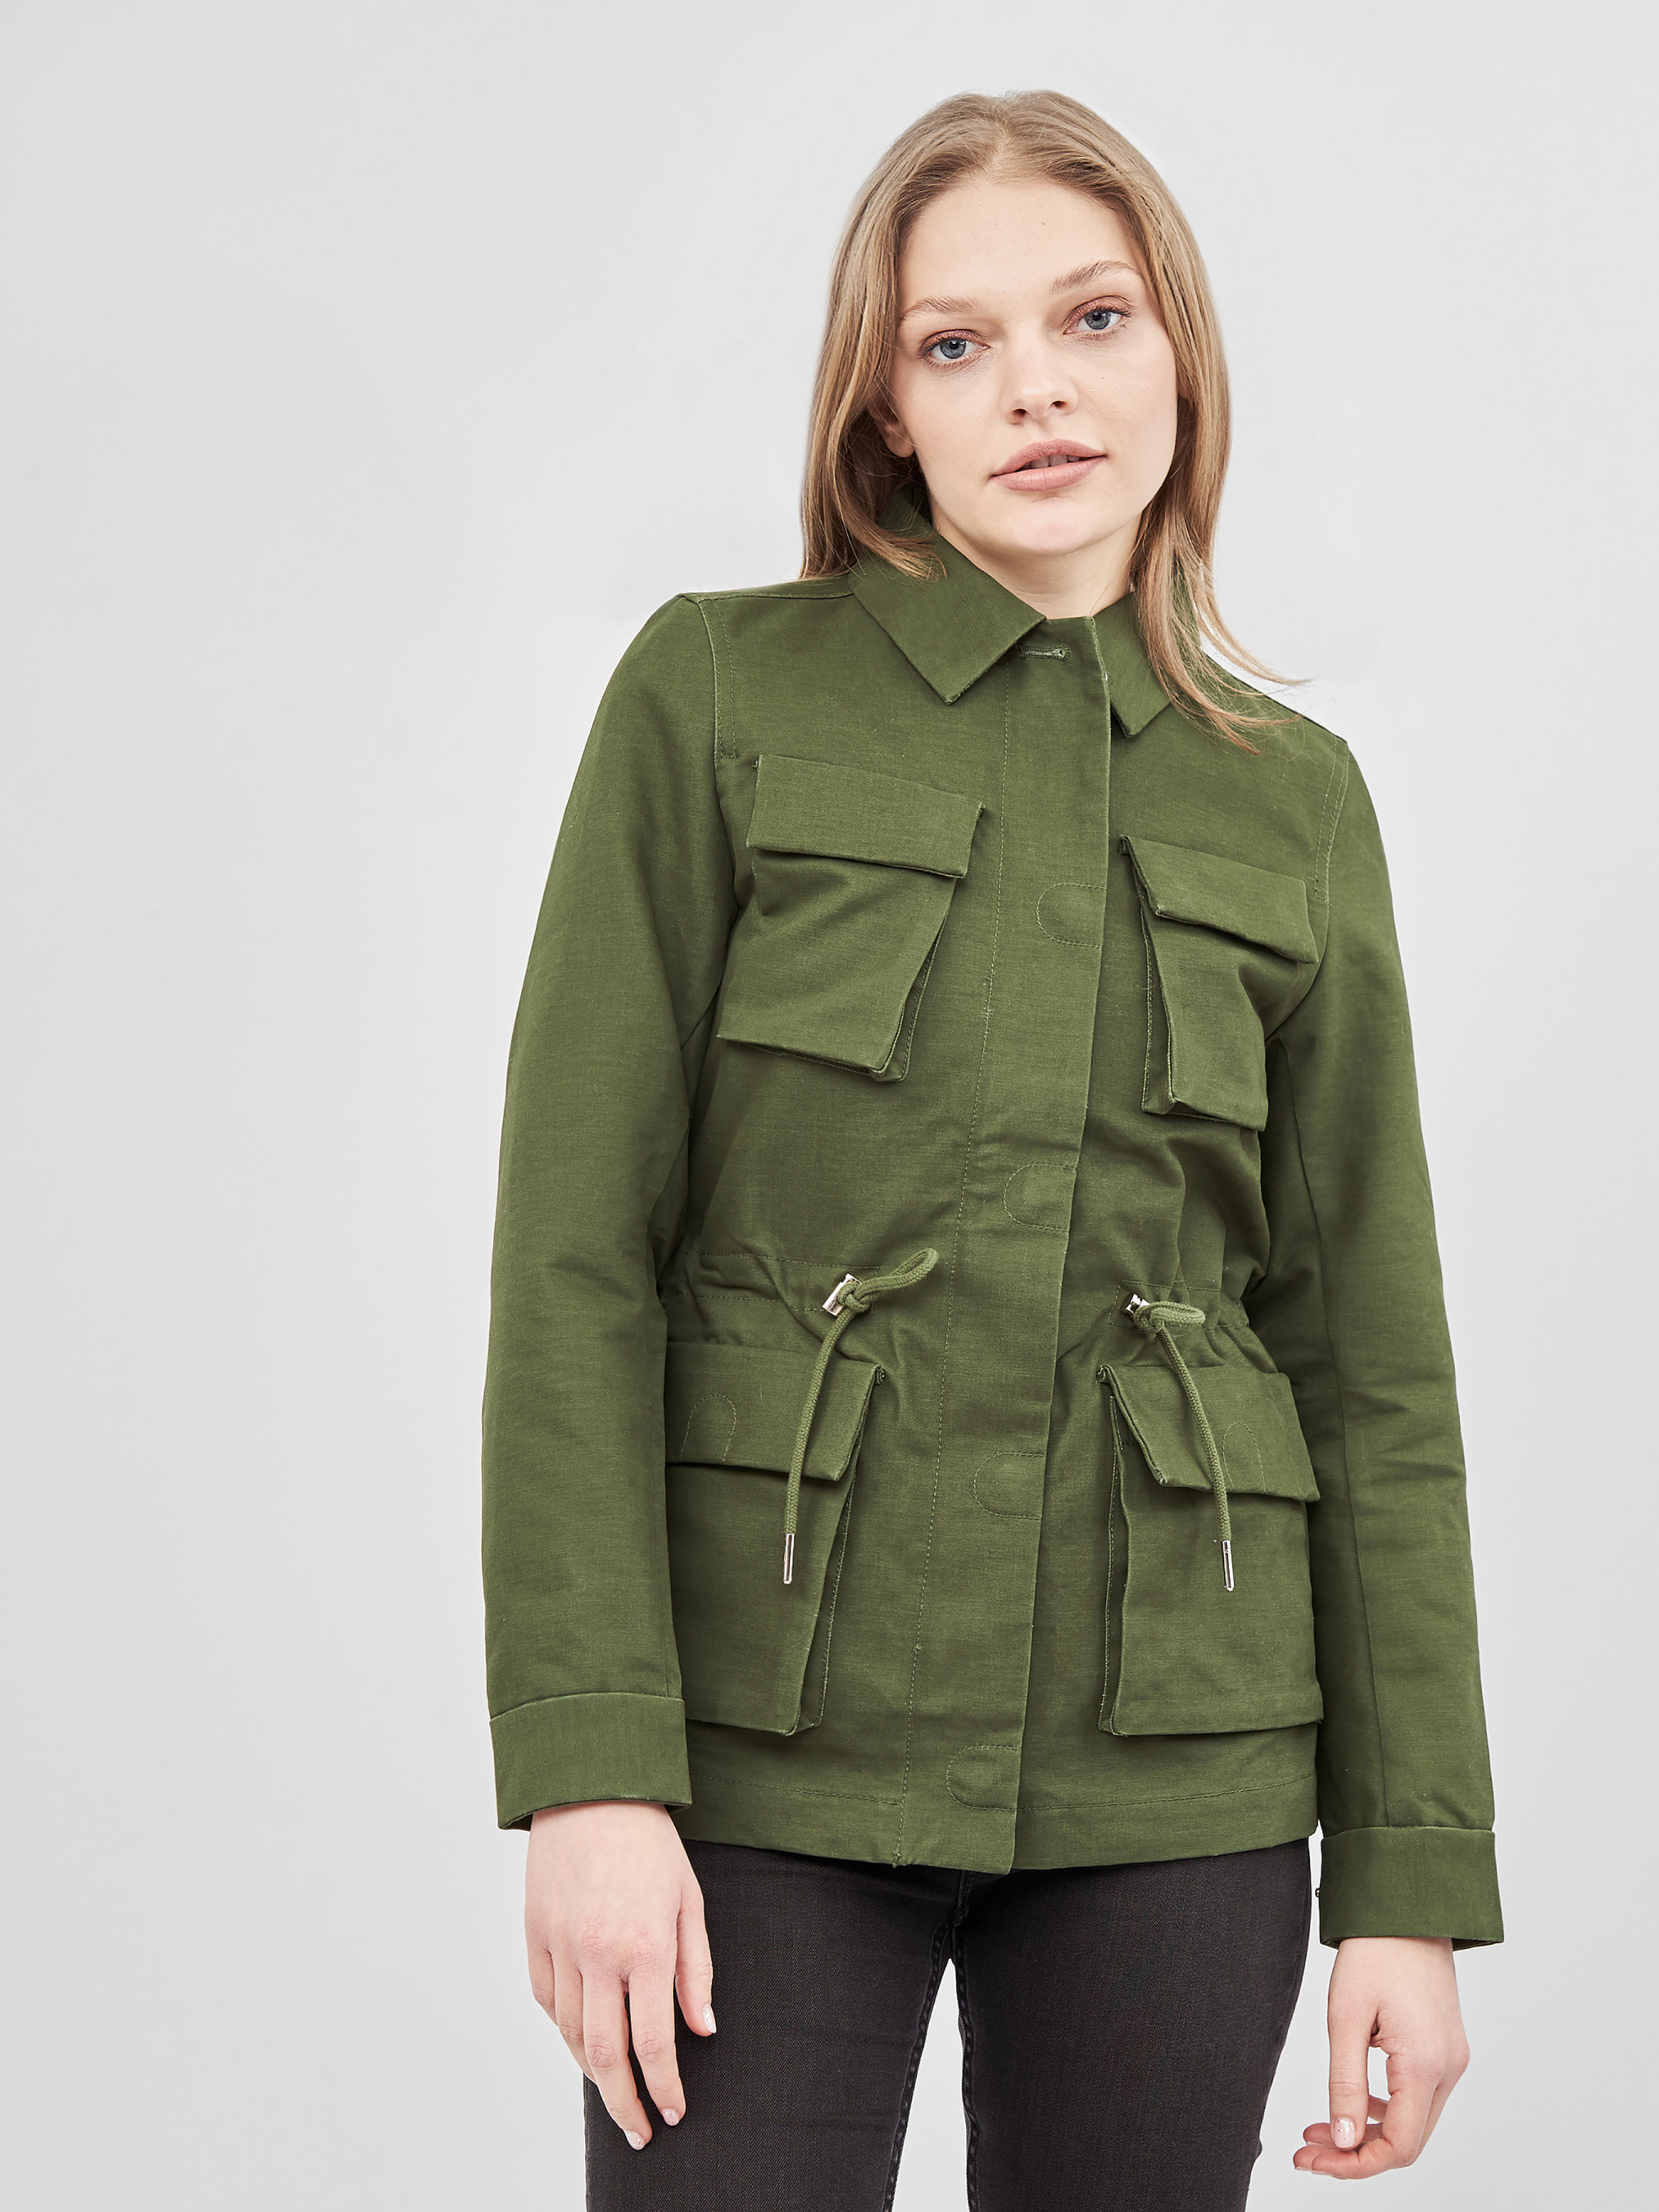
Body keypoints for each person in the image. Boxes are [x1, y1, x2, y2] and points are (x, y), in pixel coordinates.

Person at [481, 88, 1502, 2210]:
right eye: (955, 343)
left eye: (1092, 317)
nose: (1035, 386)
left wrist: (1406, 1885)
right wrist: (590, 1770)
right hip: (763, 1747)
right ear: (884, 411)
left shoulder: (1291, 797)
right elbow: (574, 1263)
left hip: (1181, 1766)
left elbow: (1369, 1367)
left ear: (1178, 351)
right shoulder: (713, 695)